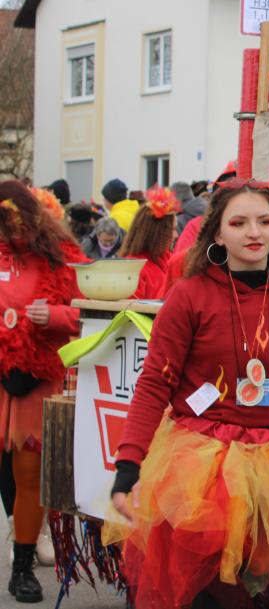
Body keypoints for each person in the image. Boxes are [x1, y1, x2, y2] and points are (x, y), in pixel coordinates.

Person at [106, 179, 269, 609]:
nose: (254, 232)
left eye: (264, 221)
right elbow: (154, 383)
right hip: (198, 464)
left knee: (252, 588)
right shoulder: (190, 295)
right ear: (218, 233)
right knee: (198, 590)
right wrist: (128, 466)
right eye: (239, 222)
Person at [0, 181, 84, 602]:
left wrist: (55, 315)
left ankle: (22, 565)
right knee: (11, 475)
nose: (11, 229)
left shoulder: (62, 257)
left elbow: (88, 314)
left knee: (28, 475)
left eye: (18, 219)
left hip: (36, 379)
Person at [118, 188, 180, 300]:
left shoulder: (170, 260)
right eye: (173, 229)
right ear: (157, 233)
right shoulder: (133, 269)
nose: (176, 235)